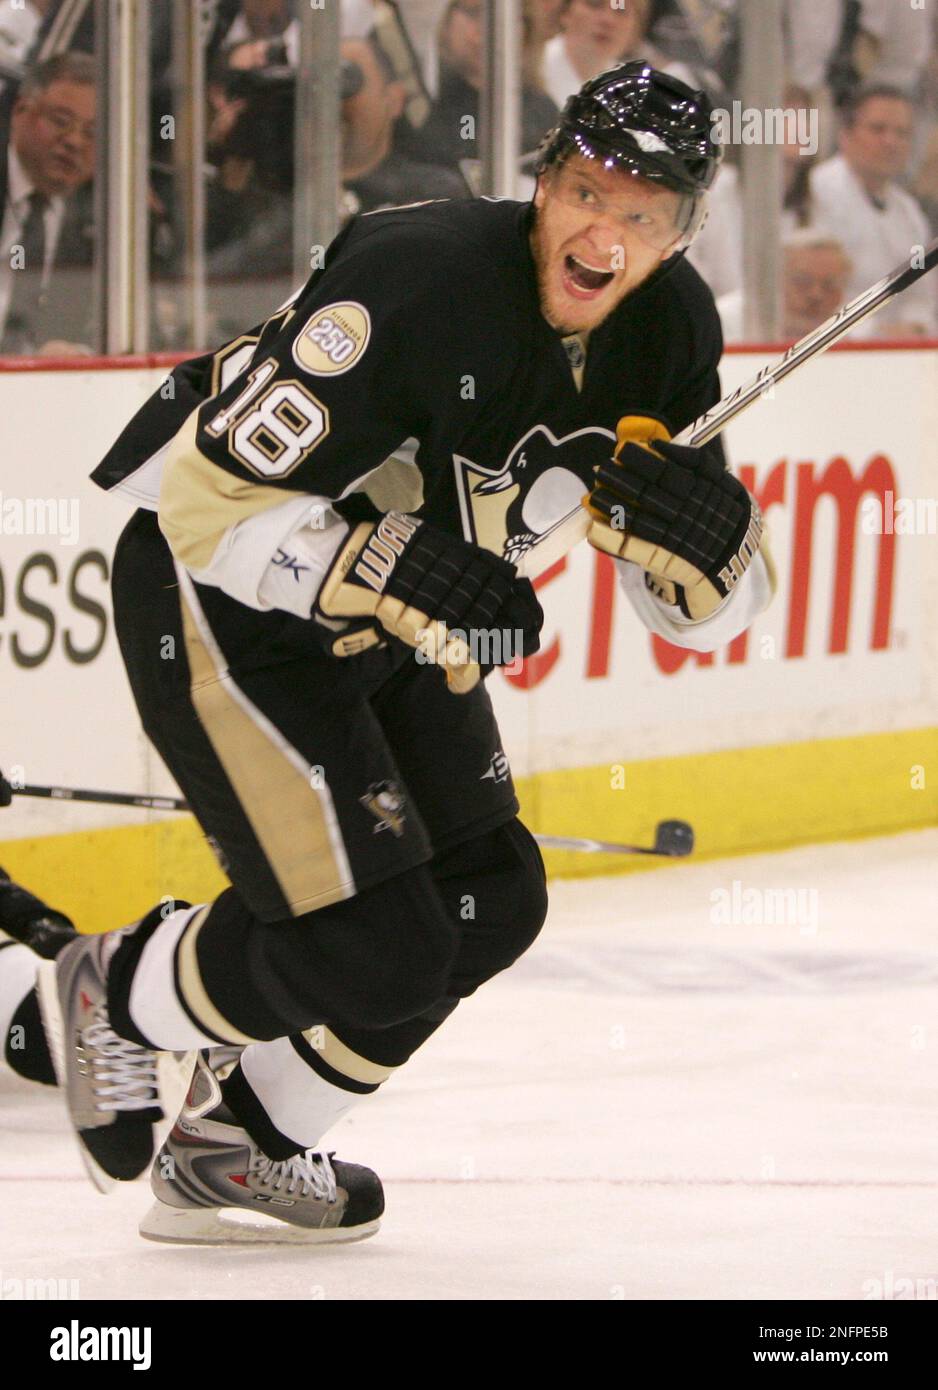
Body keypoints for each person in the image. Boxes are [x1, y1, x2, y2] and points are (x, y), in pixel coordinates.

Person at [44, 62, 774, 1246]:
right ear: (541, 181)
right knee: (372, 950)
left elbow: (687, 612)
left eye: (644, 216)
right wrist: (379, 564)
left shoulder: (674, 330)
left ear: (685, 232)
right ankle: (118, 991)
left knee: (490, 898)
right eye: (587, 190)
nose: (606, 231)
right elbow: (202, 508)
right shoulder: (415, 275)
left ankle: (236, 1147)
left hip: (392, 620)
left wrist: (718, 558)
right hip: (222, 599)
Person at [809, 85, 937, 338]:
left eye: (902, 133)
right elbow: (809, 292)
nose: (890, 142)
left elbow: (921, 292)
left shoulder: (909, 212)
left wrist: (916, 327)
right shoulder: (814, 194)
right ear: (845, 135)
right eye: (878, 129)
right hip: (832, 345)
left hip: (898, 351)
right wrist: (877, 332)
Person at [0, 50, 94, 354]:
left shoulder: (107, 219)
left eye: (92, 132)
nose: (74, 141)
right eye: (61, 121)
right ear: (20, 111)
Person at [416, 0, 559, 174]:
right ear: (446, 17)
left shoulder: (542, 112)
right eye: (474, 13)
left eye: (508, 19)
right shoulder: (424, 102)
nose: (487, 31)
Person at [716, 230, 852, 343]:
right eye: (803, 282)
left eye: (830, 285)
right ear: (775, 279)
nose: (816, 294)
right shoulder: (725, 321)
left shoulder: (857, 324)